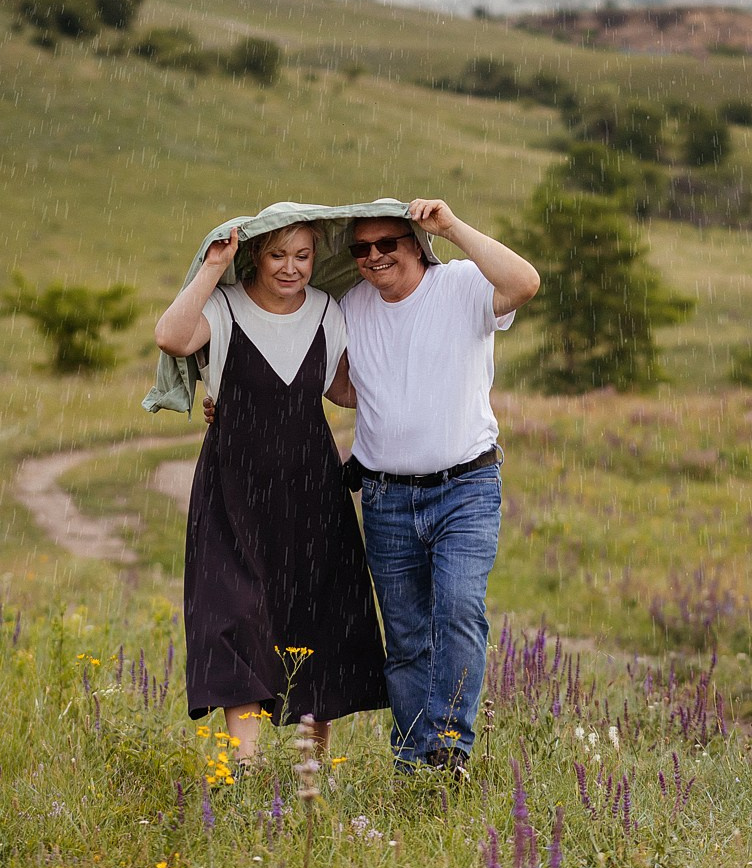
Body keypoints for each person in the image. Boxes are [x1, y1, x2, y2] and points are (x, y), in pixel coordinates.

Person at [153, 220, 387, 766]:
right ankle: (247, 769)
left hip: (312, 487)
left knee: (318, 613)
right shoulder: (225, 307)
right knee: (235, 613)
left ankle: (312, 770)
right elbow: (172, 337)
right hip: (233, 486)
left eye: (302, 256)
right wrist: (212, 267)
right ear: (256, 255)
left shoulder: (328, 310)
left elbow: (344, 389)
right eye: (279, 255)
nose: (291, 268)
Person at [342, 198, 539, 773]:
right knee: (404, 636)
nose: (374, 257)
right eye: (361, 249)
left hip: (465, 488)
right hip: (383, 496)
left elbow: (525, 283)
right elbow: (340, 384)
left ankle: (449, 746)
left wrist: (451, 226)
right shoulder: (354, 306)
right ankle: (414, 763)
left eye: (387, 244)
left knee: (457, 609)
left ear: (414, 243)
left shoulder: (460, 285)